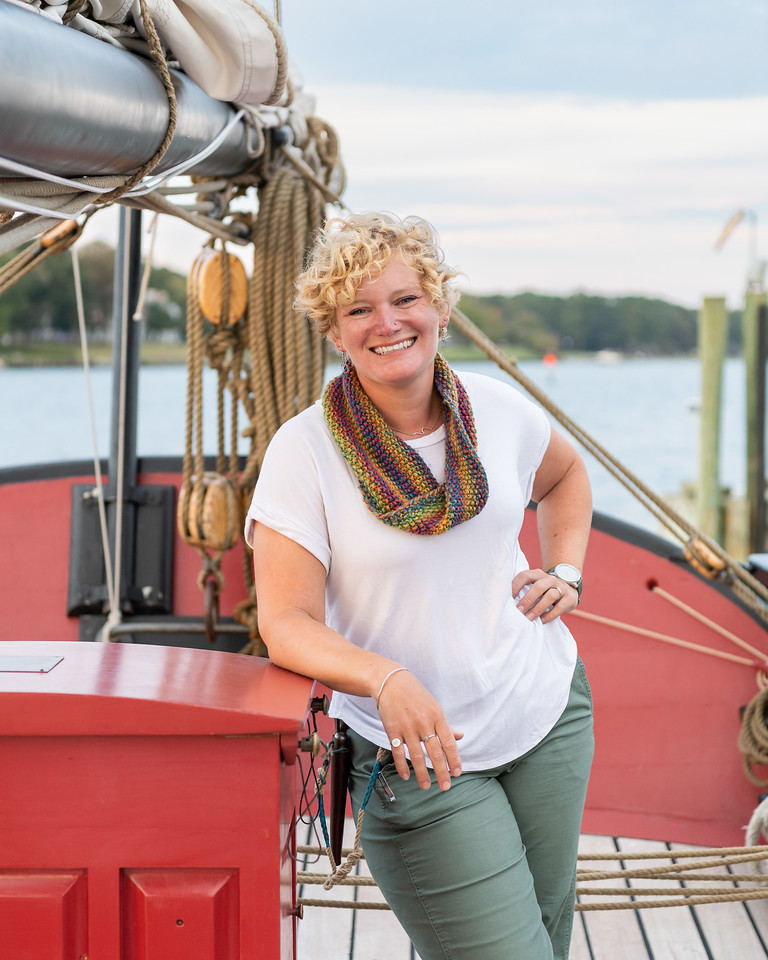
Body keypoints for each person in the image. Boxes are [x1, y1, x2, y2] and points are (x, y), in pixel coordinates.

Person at [245, 212, 594, 960]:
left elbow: (566, 475)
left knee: (549, 943)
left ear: (438, 306)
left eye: (405, 299)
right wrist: (385, 679)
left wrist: (565, 570)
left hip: (545, 712)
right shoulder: (303, 452)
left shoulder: (497, 410)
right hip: (413, 752)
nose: (388, 322)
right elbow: (286, 621)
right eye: (359, 309)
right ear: (334, 332)